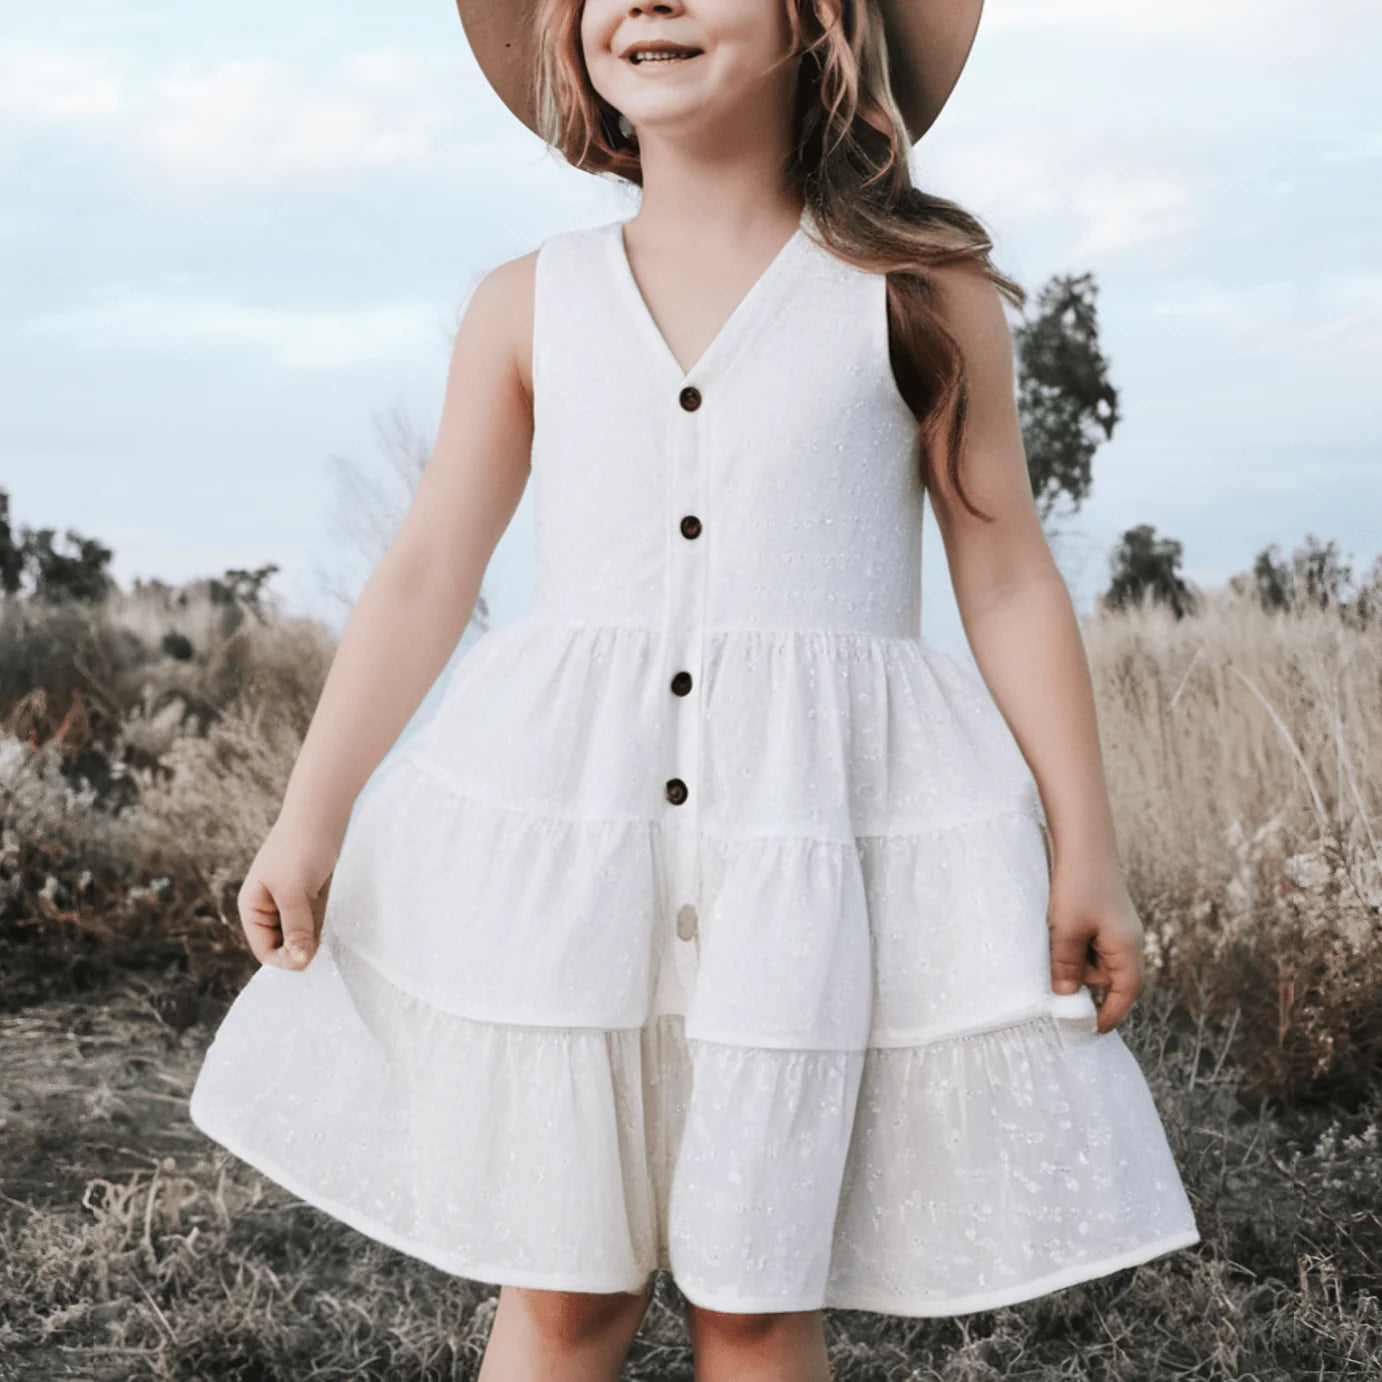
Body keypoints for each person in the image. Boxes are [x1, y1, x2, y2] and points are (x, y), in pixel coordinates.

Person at [188, 1, 1201, 1377]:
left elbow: (1008, 574)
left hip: (805, 863)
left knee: (755, 1301)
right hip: (573, 854)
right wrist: (310, 816)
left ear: (818, 21)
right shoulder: (527, 301)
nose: (647, 1)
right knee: (563, 1296)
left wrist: (1086, 851)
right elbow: (428, 569)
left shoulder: (921, 292)